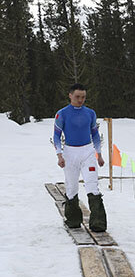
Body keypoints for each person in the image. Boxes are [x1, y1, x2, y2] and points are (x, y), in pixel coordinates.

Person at [54, 84, 107, 232]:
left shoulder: (90, 113)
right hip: (70, 153)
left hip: (87, 152)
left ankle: (98, 222)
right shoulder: (62, 114)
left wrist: (99, 155)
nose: (80, 100)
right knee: (71, 187)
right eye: (77, 97)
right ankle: (73, 220)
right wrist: (59, 155)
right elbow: (56, 136)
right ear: (70, 95)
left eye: (83, 97)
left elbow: (95, 134)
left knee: (92, 185)